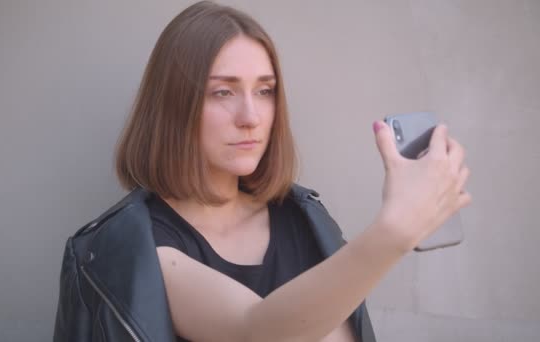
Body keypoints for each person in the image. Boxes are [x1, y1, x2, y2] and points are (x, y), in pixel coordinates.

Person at [53, 1, 472, 342]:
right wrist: (394, 233)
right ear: (174, 106)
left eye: (265, 90)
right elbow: (254, 329)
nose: (251, 116)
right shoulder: (131, 244)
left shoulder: (302, 217)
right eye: (223, 91)